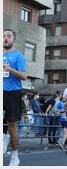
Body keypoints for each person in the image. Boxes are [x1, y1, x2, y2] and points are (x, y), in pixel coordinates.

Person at [3, 29, 27, 166]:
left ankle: (15, 155)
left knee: (12, 126)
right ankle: (4, 138)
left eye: (8, 36)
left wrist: (10, 69)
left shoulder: (18, 56)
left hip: (12, 93)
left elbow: (24, 76)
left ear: (13, 39)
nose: (6, 38)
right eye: (4, 36)